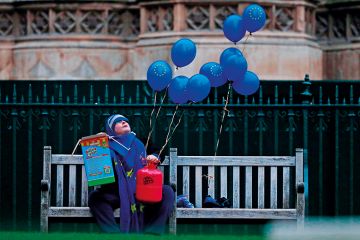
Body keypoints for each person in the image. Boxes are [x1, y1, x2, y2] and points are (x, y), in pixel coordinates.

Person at [88, 114, 175, 234]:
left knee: (167, 192)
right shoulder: (104, 143)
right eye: (118, 122)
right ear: (110, 128)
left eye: (125, 120)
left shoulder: (140, 141)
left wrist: (155, 156)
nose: (124, 122)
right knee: (95, 198)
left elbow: (158, 150)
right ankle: (112, 234)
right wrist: (96, 143)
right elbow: (98, 172)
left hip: (143, 190)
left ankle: (152, 233)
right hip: (116, 192)